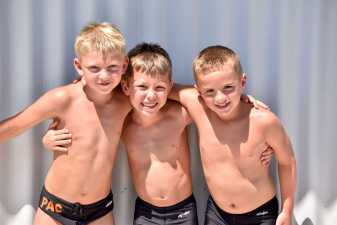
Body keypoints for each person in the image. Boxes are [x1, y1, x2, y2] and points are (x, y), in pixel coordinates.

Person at [43, 43, 274, 225]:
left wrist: (247, 106)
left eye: (160, 88)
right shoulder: (122, 120)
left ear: (168, 86)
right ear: (125, 87)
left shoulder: (180, 114)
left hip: (183, 210)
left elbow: (218, 110)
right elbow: (89, 123)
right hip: (146, 212)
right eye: (142, 88)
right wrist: (49, 135)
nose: (150, 96)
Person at [0, 22, 131, 225]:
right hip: (55, 208)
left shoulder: (126, 101)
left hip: (100, 210)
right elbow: (14, 126)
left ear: (124, 65)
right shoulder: (63, 98)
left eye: (112, 68)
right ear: (79, 67)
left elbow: (163, 92)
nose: (104, 76)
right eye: (94, 68)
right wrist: (47, 138)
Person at [170, 45, 297, 225]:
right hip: (217, 215)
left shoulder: (263, 121)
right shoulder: (198, 106)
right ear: (198, 91)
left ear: (242, 82)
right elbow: (161, 86)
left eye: (228, 87)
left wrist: (287, 210)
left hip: (260, 215)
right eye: (210, 91)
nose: (220, 98)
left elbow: (287, 162)